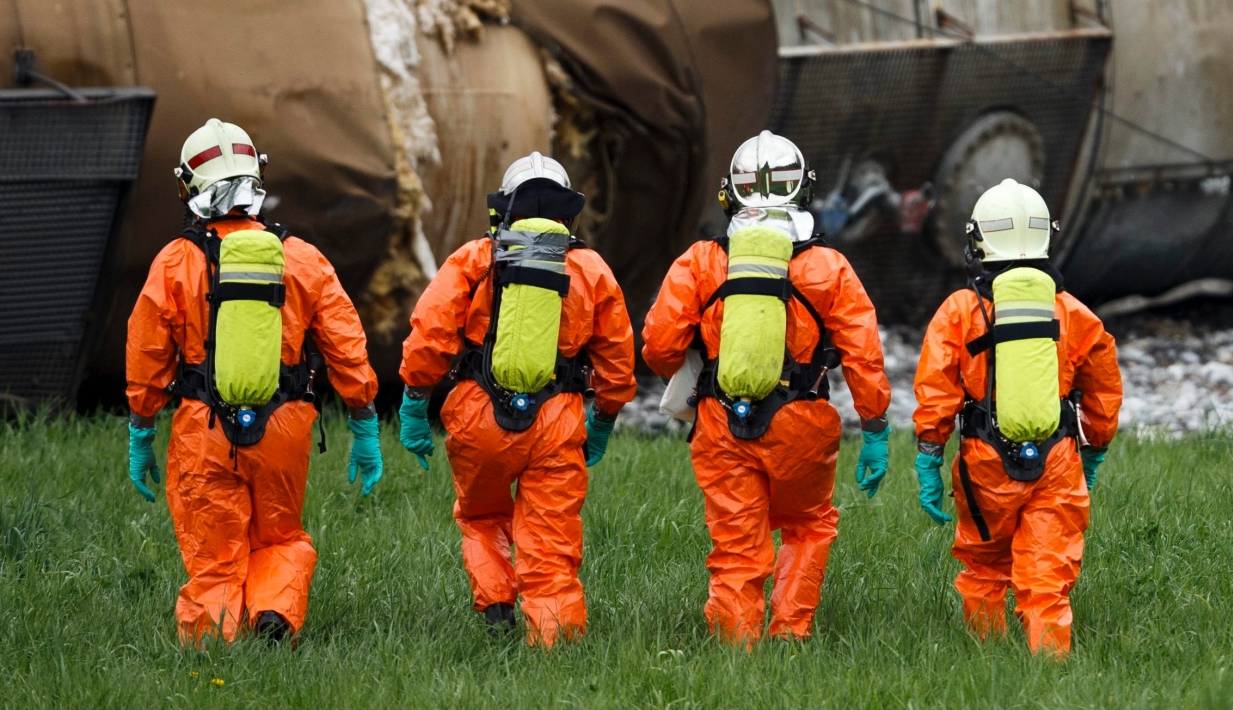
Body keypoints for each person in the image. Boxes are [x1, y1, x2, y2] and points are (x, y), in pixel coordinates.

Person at [125, 118, 382, 645]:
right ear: (255, 180)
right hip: (284, 426)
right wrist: (364, 423)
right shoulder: (302, 258)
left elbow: (146, 352)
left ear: (187, 187)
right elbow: (346, 345)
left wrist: (141, 431)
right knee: (280, 535)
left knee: (214, 554)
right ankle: (275, 617)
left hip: (204, 428)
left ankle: (213, 649)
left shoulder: (175, 262)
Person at [642, 130, 892, 645]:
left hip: (721, 423)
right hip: (804, 422)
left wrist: (700, 358)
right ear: (803, 191)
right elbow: (863, 355)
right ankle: (790, 633)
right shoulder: (829, 267)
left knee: (736, 543)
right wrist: (875, 427)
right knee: (808, 525)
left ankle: (737, 648)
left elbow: (658, 346)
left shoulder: (702, 261)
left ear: (729, 195)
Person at [398, 151, 635, 646]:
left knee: (482, 517)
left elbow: (429, 335)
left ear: (503, 210)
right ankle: (554, 640)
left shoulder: (474, 258)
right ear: (568, 212)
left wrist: (415, 404)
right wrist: (605, 419)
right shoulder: (590, 267)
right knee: (551, 538)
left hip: (476, 417)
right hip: (556, 421)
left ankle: (498, 607)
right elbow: (617, 357)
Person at [912, 178, 1121, 656]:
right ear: (1046, 236)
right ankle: (1049, 667)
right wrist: (1096, 448)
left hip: (983, 464)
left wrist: (928, 454)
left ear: (979, 241)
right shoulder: (1072, 313)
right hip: (1057, 461)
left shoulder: (960, 312)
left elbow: (936, 388)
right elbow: (1104, 389)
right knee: (1047, 576)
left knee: (984, 566)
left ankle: (987, 657)